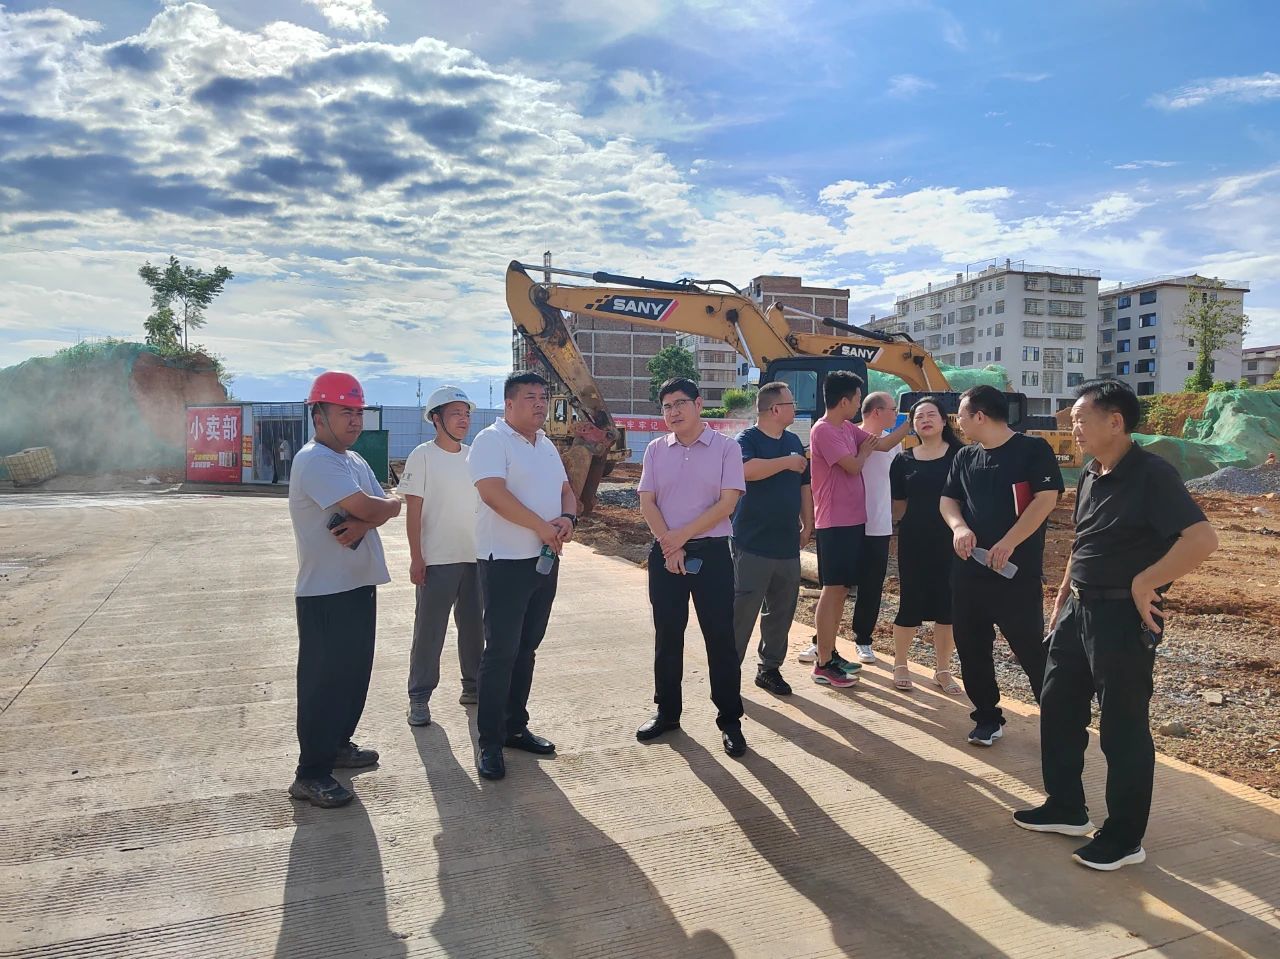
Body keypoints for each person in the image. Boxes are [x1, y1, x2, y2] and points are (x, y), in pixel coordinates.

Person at [1015, 380, 1218, 871]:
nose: (1074, 428)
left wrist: (1146, 582)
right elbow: (1085, 541)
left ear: (1115, 421)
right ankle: (1066, 806)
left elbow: (1201, 539)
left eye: (1081, 419)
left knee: (1122, 726)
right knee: (1058, 705)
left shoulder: (1152, 475)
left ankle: (1125, 838)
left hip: (1122, 617)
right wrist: (1063, 594)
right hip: (1078, 609)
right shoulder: (1091, 473)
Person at [286, 371, 402, 808]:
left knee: (352, 677)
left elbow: (385, 506)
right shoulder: (314, 460)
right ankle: (310, 774)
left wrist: (372, 516)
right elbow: (370, 505)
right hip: (325, 592)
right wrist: (376, 511)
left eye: (358, 412)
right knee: (323, 683)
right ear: (318, 415)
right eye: (345, 412)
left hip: (357, 584)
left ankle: (337, 747)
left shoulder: (353, 461)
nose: (355, 421)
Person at [468, 372, 578, 781]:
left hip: (544, 560)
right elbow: (493, 494)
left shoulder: (545, 444)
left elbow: (567, 491)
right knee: (501, 652)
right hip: (504, 562)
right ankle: (490, 742)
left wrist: (567, 518)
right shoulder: (491, 441)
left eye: (543, 397)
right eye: (530, 397)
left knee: (527, 648)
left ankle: (515, 727)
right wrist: (541, 526)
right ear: (509, 403)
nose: (540, 404)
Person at [940, 384, 1063, 747]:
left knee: (1030, 648)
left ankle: (1059, 720)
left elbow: (1046, 499)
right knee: (971, 647)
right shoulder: (965, 457)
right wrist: (959, 527)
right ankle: (987, 718)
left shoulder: (1032, 450)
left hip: (1015, 574)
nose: (958, 423)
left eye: (962, 416)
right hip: (969, 572)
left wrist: (1010, 542)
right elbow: (948, 501)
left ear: (979, 416)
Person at [636, 377, 748, 757]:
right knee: (668, 636)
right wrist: (669, 545)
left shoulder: (726, 448)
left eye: (680, 403)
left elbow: (727, 504)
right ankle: (667, 713)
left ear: (699, 405)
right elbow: (647, 502)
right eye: (667, 406)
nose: (673, 412)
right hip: (666, 554)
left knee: (720, 639)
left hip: (711, 555)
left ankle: (730, 720)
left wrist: (679, 538)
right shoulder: (656, 450)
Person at [400, 386, 483, 727]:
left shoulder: (474, 456)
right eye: (455, 414)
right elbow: (413, 511)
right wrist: (416, 557)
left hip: (474, 557)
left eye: (467, 414)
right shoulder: (422, 456)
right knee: (429, 631)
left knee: (474, 629)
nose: (464, 420)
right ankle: (419, 697)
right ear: (436, 419)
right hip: (437, 559)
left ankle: (473, 687)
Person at [807, 370, 890, 687]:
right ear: (844, 401)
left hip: (853, 520)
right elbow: (854, 465)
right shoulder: (824, 430)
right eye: (857, 399)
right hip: (834, 522)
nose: (859, 405)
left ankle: (830, 653)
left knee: (841, 590)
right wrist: (864, 451)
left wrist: (908, 423)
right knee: (832, 590)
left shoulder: (845, 428)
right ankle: (822, 662)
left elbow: (881, 444)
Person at [730, 381, 813, 697]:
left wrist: (808, 523)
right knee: (742, 611)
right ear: (776, 409)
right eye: (791, 404)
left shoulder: (793, 440)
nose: (795, 409)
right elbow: (746, 470)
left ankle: (769, 669)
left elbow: (804, 485)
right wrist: (787, 463)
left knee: (781, 611)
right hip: (752, 542)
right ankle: (727, 672)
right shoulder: (747, 440)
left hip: (786, 543)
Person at [888, 397, 964, 693]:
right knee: (910, 602)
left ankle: (943, 670)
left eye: (932, 415)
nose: (925, 420)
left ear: (944, 421)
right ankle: (900, 663)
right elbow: (898, 505)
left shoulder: (961, 456)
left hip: (952, 540)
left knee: (948, 606)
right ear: (912, 425)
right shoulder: (903, 460)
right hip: (914, 540)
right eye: (919, 417)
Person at [849, 391, 911, 664]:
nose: (895, 414)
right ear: (876, 411)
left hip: (879, 524)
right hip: (849, 522)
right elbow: (880, 445)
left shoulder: (894, 444)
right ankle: (822, 641)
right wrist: (909, 423)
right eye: (892, 409)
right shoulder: (851, 435)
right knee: (837, 585)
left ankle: (863, 638)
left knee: (872, 585)